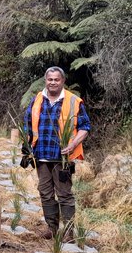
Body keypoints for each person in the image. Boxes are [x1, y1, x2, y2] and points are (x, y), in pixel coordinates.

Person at [23, 66, 90, 240]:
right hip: (42, 155)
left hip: (63, 157)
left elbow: (85, 128)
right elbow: (28, 126)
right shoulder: (37, 100)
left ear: (63, 81)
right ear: (46, 80)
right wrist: (27, 148)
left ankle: (68, 231)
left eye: (56, 79)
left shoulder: (74, 101)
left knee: (64, 194)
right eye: (50, 79)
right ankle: (51, 228)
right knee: (45, 192)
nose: (53, 82)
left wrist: (73, 144)